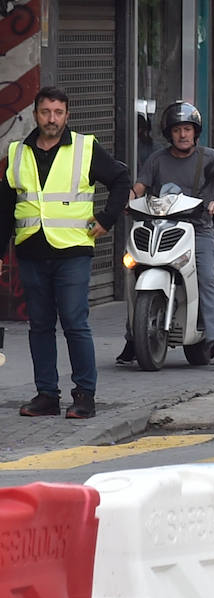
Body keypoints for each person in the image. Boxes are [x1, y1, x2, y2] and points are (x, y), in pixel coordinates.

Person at [0, 86, 132, 418]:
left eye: (58, 113)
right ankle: (46, 395)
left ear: (67, 116)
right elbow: (4, 207)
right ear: (35, 115)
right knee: (40, 325)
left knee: (74, 322)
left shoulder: (85, 149)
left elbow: (120, 179)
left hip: (73, 251)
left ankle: (84, 395)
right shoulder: (17, 152)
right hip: (31, 251)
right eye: (46, 112)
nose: (52, 119)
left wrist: (106, 219)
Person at [116, 101, 214, 367]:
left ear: (196, 132)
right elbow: (139, 187)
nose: (183, 135)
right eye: (177, 130)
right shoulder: (157, 159)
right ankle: (132, 338)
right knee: (134, 270)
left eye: (187, 129)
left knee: (206, 277)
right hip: (159, 226)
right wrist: (127, 199)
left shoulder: (208, 158)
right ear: (168, 133)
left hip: (199, 230)